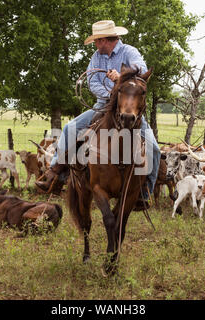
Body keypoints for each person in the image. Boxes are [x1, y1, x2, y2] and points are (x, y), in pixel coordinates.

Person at [35, 20, 160, 210]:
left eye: (96, 41)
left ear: (104, 40)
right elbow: (92, 81)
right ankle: (55, 174)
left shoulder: (130, 52)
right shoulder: (97, 56)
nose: (95, 45)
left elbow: (141, 72)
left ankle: (145, 192)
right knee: (70, 128)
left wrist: (121, 78)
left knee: (154, 148)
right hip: (103, 106)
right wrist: (110, 95)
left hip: (129, 108)